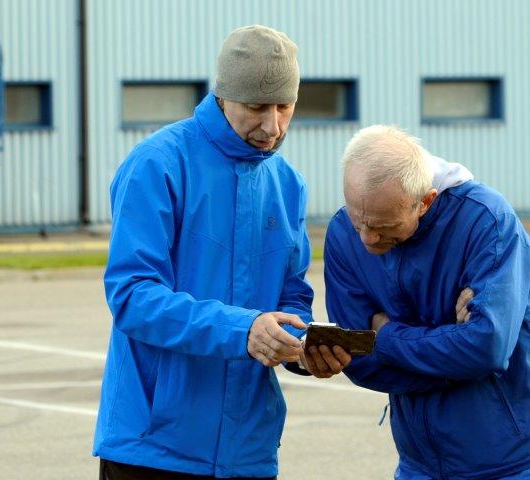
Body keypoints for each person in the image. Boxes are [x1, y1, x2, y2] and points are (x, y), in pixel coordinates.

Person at [93, 25, 350, 480]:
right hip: (153, 449)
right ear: (223, 96)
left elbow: (291, 295)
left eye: (284, 106)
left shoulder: (288, 183)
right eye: (257, 107)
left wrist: (301, 349)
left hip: (248, 451)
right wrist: (243, 329)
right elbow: (132, 297)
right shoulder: (156, 164)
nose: (273, 126)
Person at [324, 125, 530, 479]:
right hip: (422, 465)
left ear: (425, 202)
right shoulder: (342, 234)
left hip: (522, 461)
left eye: (385, 227)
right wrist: (455, 353)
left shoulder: (488, 222)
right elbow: (358, 359)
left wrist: (385, 337)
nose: (367, 239)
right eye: (358, 222)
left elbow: (486, 349)